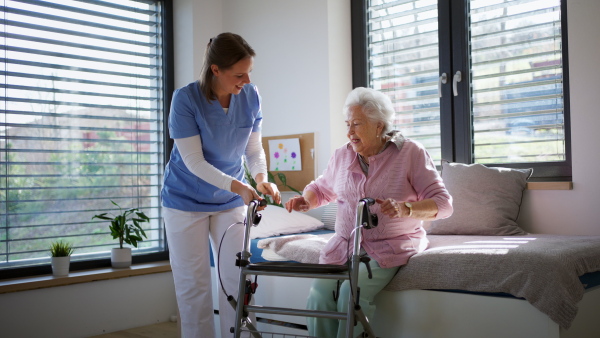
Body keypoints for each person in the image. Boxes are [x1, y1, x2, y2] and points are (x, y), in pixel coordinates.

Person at [285, 87, 453, 338]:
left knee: (351, 294)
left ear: (378, 126)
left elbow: (443, 203)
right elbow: (322, 188)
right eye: (348, 124)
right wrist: (306, 201)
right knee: (319, 294)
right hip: (345, 244)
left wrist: (406, 208)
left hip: (390, 245)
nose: (349, 132)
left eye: (357, 124)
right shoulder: (343, 155)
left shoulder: (410, 153)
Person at [161, 32, 281, 338]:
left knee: (236, 281)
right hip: (184, 201)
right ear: (216, 70)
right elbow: (194, 162)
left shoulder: (251, 96)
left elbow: (253, 150)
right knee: (194, 286)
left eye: (249, 72)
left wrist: (261, 179)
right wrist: (238, 187)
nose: (246, 80)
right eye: (239, 74)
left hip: (229, 201)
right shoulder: (185, 100)